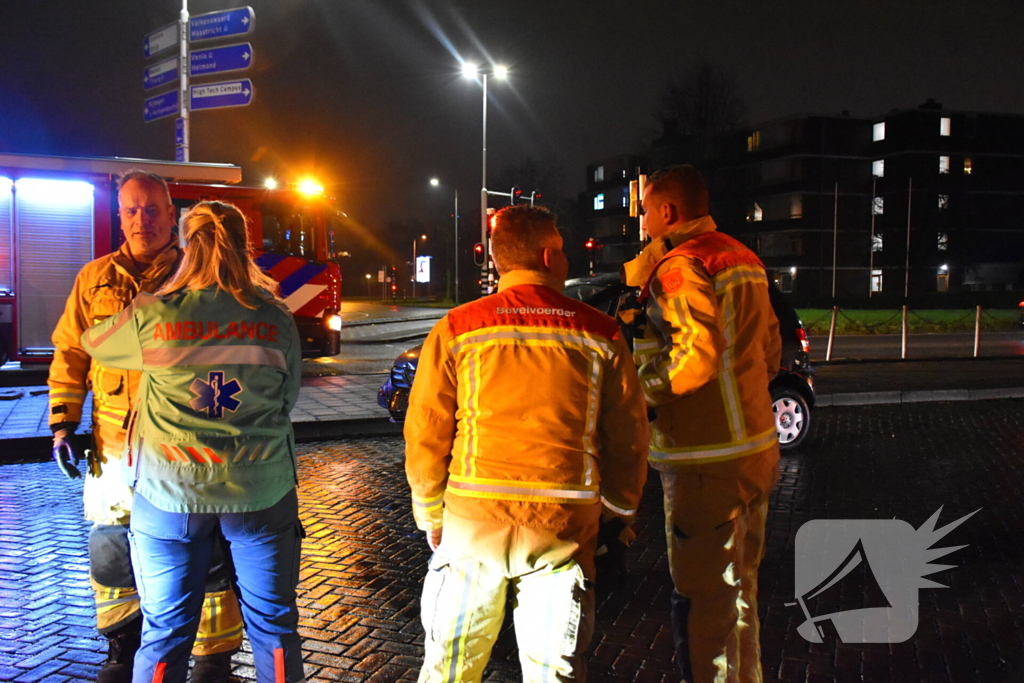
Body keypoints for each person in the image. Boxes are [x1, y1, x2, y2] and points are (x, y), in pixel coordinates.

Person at [404, 204, 649, 682]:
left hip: (473, 526)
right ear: (547, 255)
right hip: (562, 532)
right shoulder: (600, 333)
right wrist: (618, 512)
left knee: (450, 669)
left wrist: (432, 513)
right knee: (552, 672)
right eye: (562, 250)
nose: (567, 260)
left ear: (497, 261)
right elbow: (628, 437)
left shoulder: (457, 329)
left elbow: (426, 433)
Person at [79, 201, 305, 683]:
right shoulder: (277, 318)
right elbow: (286, 400)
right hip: (260, 492)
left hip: (169, 494)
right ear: (245, 247)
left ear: (185, 244)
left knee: (165, 630)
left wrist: (153, 299)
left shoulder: (157, 315)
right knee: (275, 627)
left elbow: (94, 342)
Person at [48, 171, 243, 683]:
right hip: (114, 448)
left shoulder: (196, 275)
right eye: (132, 210)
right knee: (111, 547)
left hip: (182, 449)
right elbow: (70, 351)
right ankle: (122, 642)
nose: (142, 220)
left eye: (152, 209)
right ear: (120, 217)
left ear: (171, 214)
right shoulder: (92, 279)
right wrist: (63, 424)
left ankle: (213, 655)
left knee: (208, 551)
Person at [621, 165, 781, 683]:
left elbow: (695, 357)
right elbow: (771, 352)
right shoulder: (743, 258)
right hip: (756, 449)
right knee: (742, 595)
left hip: (703, 460)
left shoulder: (680, 265)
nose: (643, 221)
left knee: (701, 604)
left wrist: (639, 395)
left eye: (646, 210)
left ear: (667, 211)